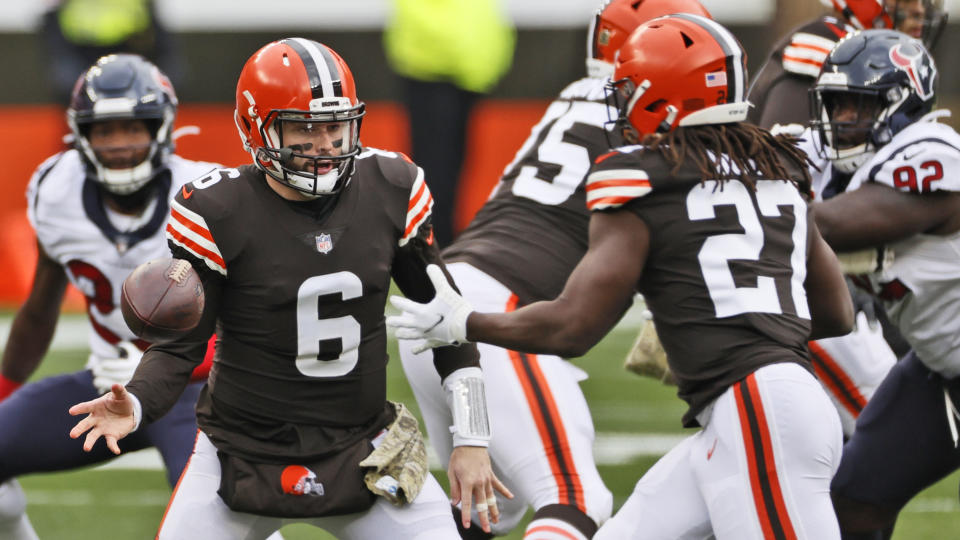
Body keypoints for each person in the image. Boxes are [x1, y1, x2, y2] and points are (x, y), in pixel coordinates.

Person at [390, 13, 855, 540]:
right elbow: (836, 314)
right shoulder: (777, 168)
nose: (619, 103)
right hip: (759, 404)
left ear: (666, 97)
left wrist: (466, 323)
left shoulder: (641, 175)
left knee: (568, 499)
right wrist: (738, 321)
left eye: (633, 88)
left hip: (755, 407)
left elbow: (573, 328)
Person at [68, 38, 510, 539]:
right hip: (240, 451)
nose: (324, 144)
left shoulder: (391, 186)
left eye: (335, 126)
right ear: (255, 126)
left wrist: (471, 439)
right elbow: (180, 347)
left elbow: (448, 320)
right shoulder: (219, 209)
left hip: (363, 447)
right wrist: (140, 403)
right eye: (304, 128)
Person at [397, 1, 712, 538]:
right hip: (499, 318)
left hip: (444, 302)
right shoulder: (657, 125)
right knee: (574, 497)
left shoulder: (576, 97)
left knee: (486, 509)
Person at [0, 54, 218, 540]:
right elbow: (39, 309)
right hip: (104, 386)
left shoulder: (209, 195)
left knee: (216, 517)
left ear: (162, 129)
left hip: (195, 392)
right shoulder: (55, 191)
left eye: (134, 128)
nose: (119, 144)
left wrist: (184, 365)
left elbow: (258, 315)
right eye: (105, 130)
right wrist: (4, 395)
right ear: (81, 135)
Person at [807, 29, 960, 539]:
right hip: (941, 366)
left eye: (859, 106)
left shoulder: (932, 152)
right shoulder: (842, 163)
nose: (843, 121)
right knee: (853, 501)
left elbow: (830, 225)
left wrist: (759, 213)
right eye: (836, 105)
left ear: (902, 105)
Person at [383, 0, 515, 246]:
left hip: (468, 76)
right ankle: (426, 244)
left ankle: (440, 244)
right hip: (432, 73)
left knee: (453, 168)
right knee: (434, 171)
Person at [747, 0, 947, 129]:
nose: (920, 10)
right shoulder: (825, 46)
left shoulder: (866, 51)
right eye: (907, 0)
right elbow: (784, 164)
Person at [39, 0, 183, 104]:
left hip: (131, 46)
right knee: (79, 105)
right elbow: (52, 10)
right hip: (80, 49)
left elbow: (149, 11)